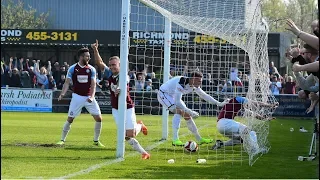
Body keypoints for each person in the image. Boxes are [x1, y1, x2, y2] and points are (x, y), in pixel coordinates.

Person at [91, 41, 150, 159]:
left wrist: (119, 88)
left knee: (131, 134)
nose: (112, 67)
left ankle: (140, 125)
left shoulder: (124, 75)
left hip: (127, 107)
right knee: (125, 135)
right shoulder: (109, 74)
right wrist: (95, 50)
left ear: (120, 65)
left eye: (114, 65)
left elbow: (124, 83)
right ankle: (144, 153)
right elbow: (100, 63)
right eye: (111, 65)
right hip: (116, 108)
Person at [157, 71, 229, 146]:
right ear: (193, 79)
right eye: (198, 81)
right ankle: (175, 140)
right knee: (179, 112)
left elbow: (204, 95)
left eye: (200, 81)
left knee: (187, 115)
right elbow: (177, 102)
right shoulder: (181, 82)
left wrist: (219, 103)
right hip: (164, 94)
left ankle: (199, 139)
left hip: (173, 96)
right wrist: (190, 111)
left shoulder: (195, 86)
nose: (200, 83)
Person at [56, 47, 104, 147]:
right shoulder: (73, 68)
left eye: (89, 56)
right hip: (77, 97)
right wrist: (62, 93)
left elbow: (93, 84)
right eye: (87, 56)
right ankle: (62, 139)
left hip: (88, 97)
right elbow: (67, 83)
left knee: (99, 118)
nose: (89, 58)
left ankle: (96, 141)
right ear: (81, 57)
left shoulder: (91, 69)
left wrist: (91, 96)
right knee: (70, 119)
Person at [212, 96, 278, 153]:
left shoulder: (236, 106)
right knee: (247, 130)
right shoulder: (238, 99)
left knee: (241, 139)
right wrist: (270, 105)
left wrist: (265, 118)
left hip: (220, 126)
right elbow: (256, 103)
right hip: (225, 122)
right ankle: (255, 150)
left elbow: (252, 114)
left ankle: (221, 143)